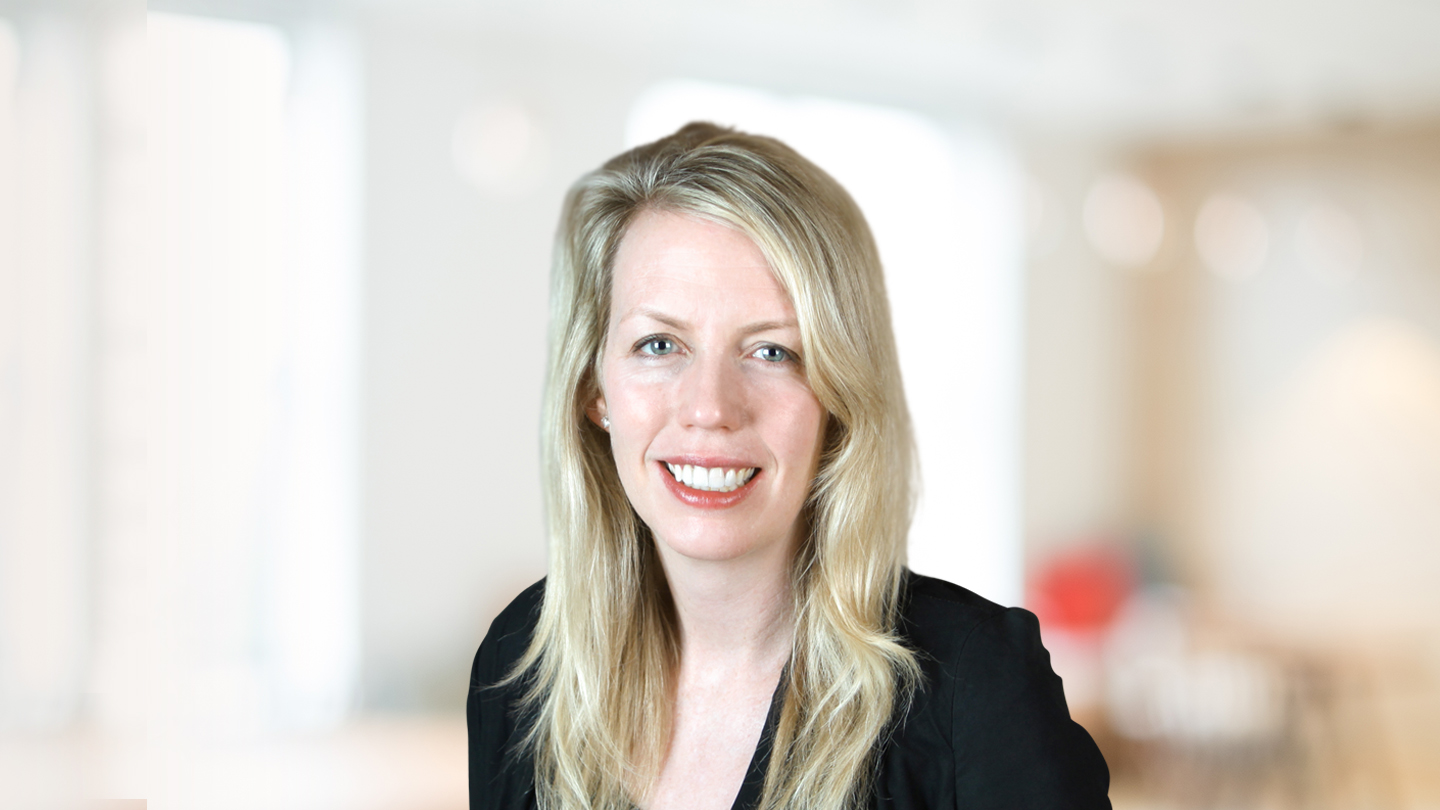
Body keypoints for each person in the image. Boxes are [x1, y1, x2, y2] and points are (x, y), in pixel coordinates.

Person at [468, 122, 1110, 810]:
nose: (710, 407)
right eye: (659, 344)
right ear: (594, 390)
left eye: (772, 352)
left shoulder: (974, 687)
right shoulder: (521, 667)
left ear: (839, 396)